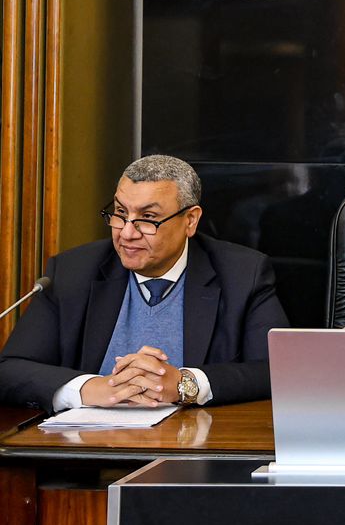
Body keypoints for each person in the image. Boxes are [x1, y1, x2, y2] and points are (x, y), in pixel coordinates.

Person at [0, 155, 288, 411]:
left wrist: (187, 384)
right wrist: (88, 388)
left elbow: (276, 371)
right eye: (120, 214)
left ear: (190, 220)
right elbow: (10, 369)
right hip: (88, 447)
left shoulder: (242, 274)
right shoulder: (73, 272)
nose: (127, 233)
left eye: (148, 218)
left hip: (195, 446)